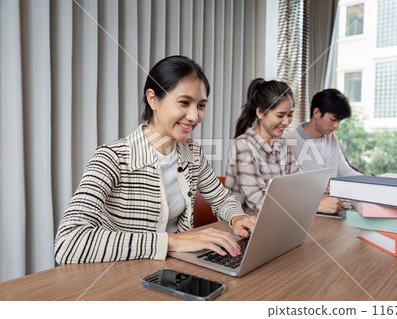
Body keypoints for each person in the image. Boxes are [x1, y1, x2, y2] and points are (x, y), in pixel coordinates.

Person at [54, 55, 255, 264]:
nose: (194, 116)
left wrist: (236, 217)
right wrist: (171, 242)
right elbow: (68, 243)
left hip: (175, 270)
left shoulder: (192, 153)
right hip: (121, 275)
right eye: (184, 103)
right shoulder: (111, 158)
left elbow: (220, 198)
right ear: (153, 99)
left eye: (201, 105)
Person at [225, 78, 299, 214]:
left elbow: (297, 183)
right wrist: (306, 205)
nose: (286, 121)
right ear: (260, 113)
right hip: (247, 225)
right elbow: (257, 201)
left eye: (290, 115)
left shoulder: (282, 144)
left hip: (279, 218)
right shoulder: (243, 145)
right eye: (280, 115)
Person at [284, 88, 362, 215]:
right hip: (304, 212)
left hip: (333, 210)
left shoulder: (331, 138)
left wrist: (372, 183)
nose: (336, 126)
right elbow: (286, 191)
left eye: (339, 121)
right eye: (333, 119)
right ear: (317, 113)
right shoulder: (288, 142)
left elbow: (344, 171)